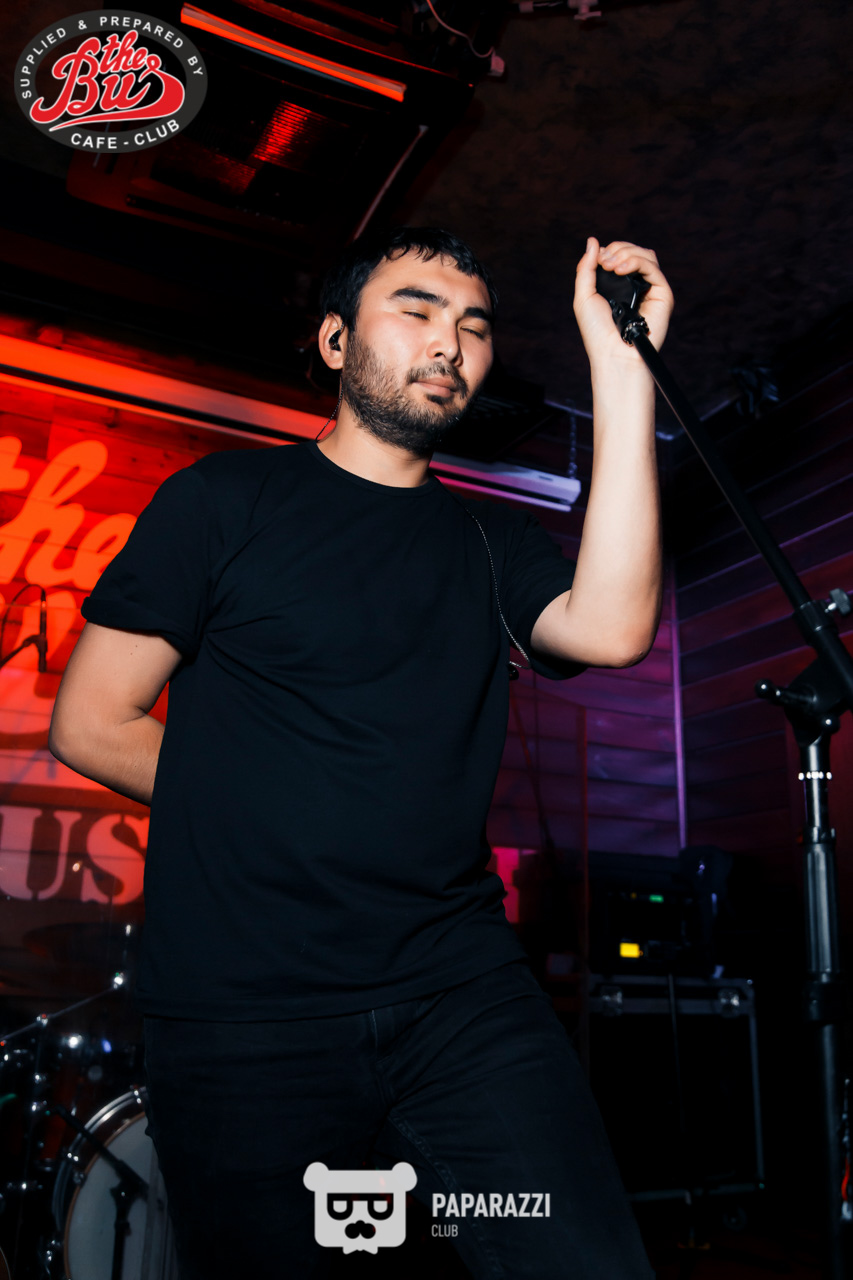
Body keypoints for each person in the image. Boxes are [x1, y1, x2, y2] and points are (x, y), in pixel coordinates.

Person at [49, 226, 671, 1279]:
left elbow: (611, 628)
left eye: (473, 325)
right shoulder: (222, 502)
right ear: (335, 341)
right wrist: (290, 810)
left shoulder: (492, 544)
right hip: (248, 1015)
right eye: (416, 310)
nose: (449, 342)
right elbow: (92, 721)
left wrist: (619, 366)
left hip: (461, 998)